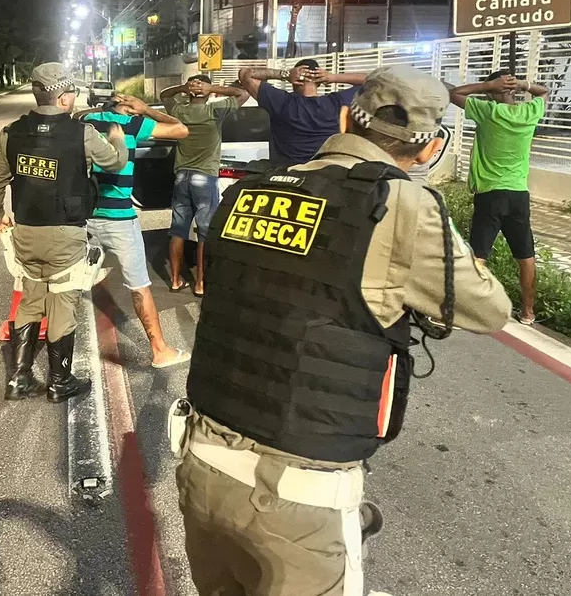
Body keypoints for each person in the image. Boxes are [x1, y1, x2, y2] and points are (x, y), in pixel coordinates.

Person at [171, 65, 512, 596]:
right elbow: (489, 310)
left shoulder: (251, 191)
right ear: (429, 148)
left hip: (202, 466)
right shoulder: (402, 206)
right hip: (298, 497)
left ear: (348, 117)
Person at [0, 63, 128, 403]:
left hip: (26, 233)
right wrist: (117, 136)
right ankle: (60, 382)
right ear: (64, 98)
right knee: (63, 301)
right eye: (73, 94)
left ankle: (19, 378)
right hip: (65, 234)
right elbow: (115, 162)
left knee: (32, 297)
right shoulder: (82, 133)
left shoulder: (11, 132)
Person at [78, 92, 192, 369]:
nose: (138, 111)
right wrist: (147, 109)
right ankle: (160, 350)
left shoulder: (86, 121)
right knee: (139, 285)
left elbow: (79, 115)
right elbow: (181, 129)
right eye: (134, 107)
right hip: (119, 218)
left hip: (84, 214)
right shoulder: (132, 124)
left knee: (68, 279)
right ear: (126, 106)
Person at [450, 71, 549, 325]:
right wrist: (524, 84)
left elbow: (454, 94)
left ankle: (466, 310)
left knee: (479, 254)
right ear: (514, 91)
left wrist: (488, 85)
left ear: (491, 93)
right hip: (518, 194)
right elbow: (544, 92)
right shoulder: (530, 113)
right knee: (526, 255)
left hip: (490, 194)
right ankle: (528, 313)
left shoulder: (488, 112)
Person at [159, 74, 250, 297]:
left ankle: (174, 280)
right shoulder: (214, 111)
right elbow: (243, 93)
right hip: (205, 178)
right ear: (206, 92)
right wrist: (211, 87)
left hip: (182, 177)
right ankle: (200, 283)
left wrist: (184, 87)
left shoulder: (179, 111)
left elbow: (164, 95)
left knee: (178, 231)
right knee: (204, 233)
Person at [238, 58, 368, 165]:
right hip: (324, 180)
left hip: (285, 180)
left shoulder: (282, 102)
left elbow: (245, 74)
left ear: (294, 81)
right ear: (320, 82)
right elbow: (373, 80)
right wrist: (333, 77)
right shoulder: (336, 104)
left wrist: (284, 74)